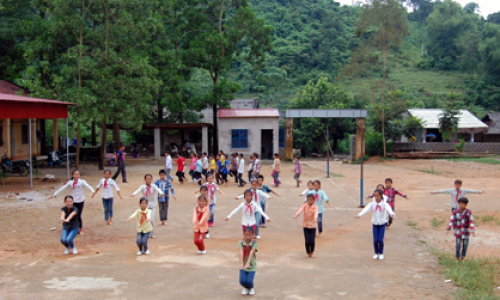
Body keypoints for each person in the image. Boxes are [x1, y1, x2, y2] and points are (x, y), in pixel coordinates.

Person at [354, 189, 395, 260]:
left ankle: (381, 253)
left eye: (377, 196)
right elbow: (366, 209)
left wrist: (392, 214)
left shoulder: (384, 204)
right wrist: (360, 215)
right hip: (375, 223)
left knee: (380, 239)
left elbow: (389, 209)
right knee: (376, 240)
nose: (376, 197)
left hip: (382, 223)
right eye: (375, 196)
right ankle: (376, 253)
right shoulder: (372, 204)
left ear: (381, 196)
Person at [50, 170, 95, 235]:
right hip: (73, 201)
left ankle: (80, 229)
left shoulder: (82, 182)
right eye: (75, 174)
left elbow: (88, 186)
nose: (76, 176)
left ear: (79, 175)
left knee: (78, 215)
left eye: (78, 174)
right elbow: (62, 188)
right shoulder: (70, 182)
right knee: (71, 215)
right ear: (72, 175)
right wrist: (55, 194)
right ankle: (71, 228)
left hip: (80, 201)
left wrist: (93, 192)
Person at [130, 174, 165, 239]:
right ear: (145, 179)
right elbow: (138, 190)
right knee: (144, 220)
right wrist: (133, 194)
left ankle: (152, 232)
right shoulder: (143, 186)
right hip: (145, 205)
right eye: (147, 179)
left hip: (152, 205)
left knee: (151, 220)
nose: (149, 180)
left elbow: (158, 190)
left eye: (150, 179)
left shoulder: (153, 186)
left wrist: (162, 193)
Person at [447, 197, 475, 261]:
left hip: (466, 233)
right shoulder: (455, 212)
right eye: (459, 204)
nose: (460, 205)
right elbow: (452, 220)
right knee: (458, 246)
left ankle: (462, 257)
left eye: (462, 204)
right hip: (458, 232)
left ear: (466, 205)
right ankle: (457, 258)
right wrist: (449, 228)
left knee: (465, 246)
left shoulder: (468, 212)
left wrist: (472, 230)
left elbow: (471, 221)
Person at [293, 193, 318, 258]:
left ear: (313, 200)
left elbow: (316, 214)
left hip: (313, 225)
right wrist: (296, 215)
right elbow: (300, 210)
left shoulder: (315, 207)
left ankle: (312, 252)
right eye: (308, 200)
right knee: (307, 240)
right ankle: (307, 252)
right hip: (305, 225)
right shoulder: (305, 206)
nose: (309, 201)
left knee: (312, 240)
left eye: (311, 200)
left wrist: (315, 218)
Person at [239, 226, 258, 295]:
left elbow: (251, 253)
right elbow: (241, 251)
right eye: (246, 235)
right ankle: (246, 288)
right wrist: (241, 263)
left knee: (249, 281)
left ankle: (251, 287)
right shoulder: (241, 242)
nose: (247, 237)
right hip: (243, 265)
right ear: (243, 234)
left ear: (253, 235)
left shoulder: (254, 243)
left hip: (251, 265)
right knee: (242, 281)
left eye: (250, 235)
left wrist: (248, 263)